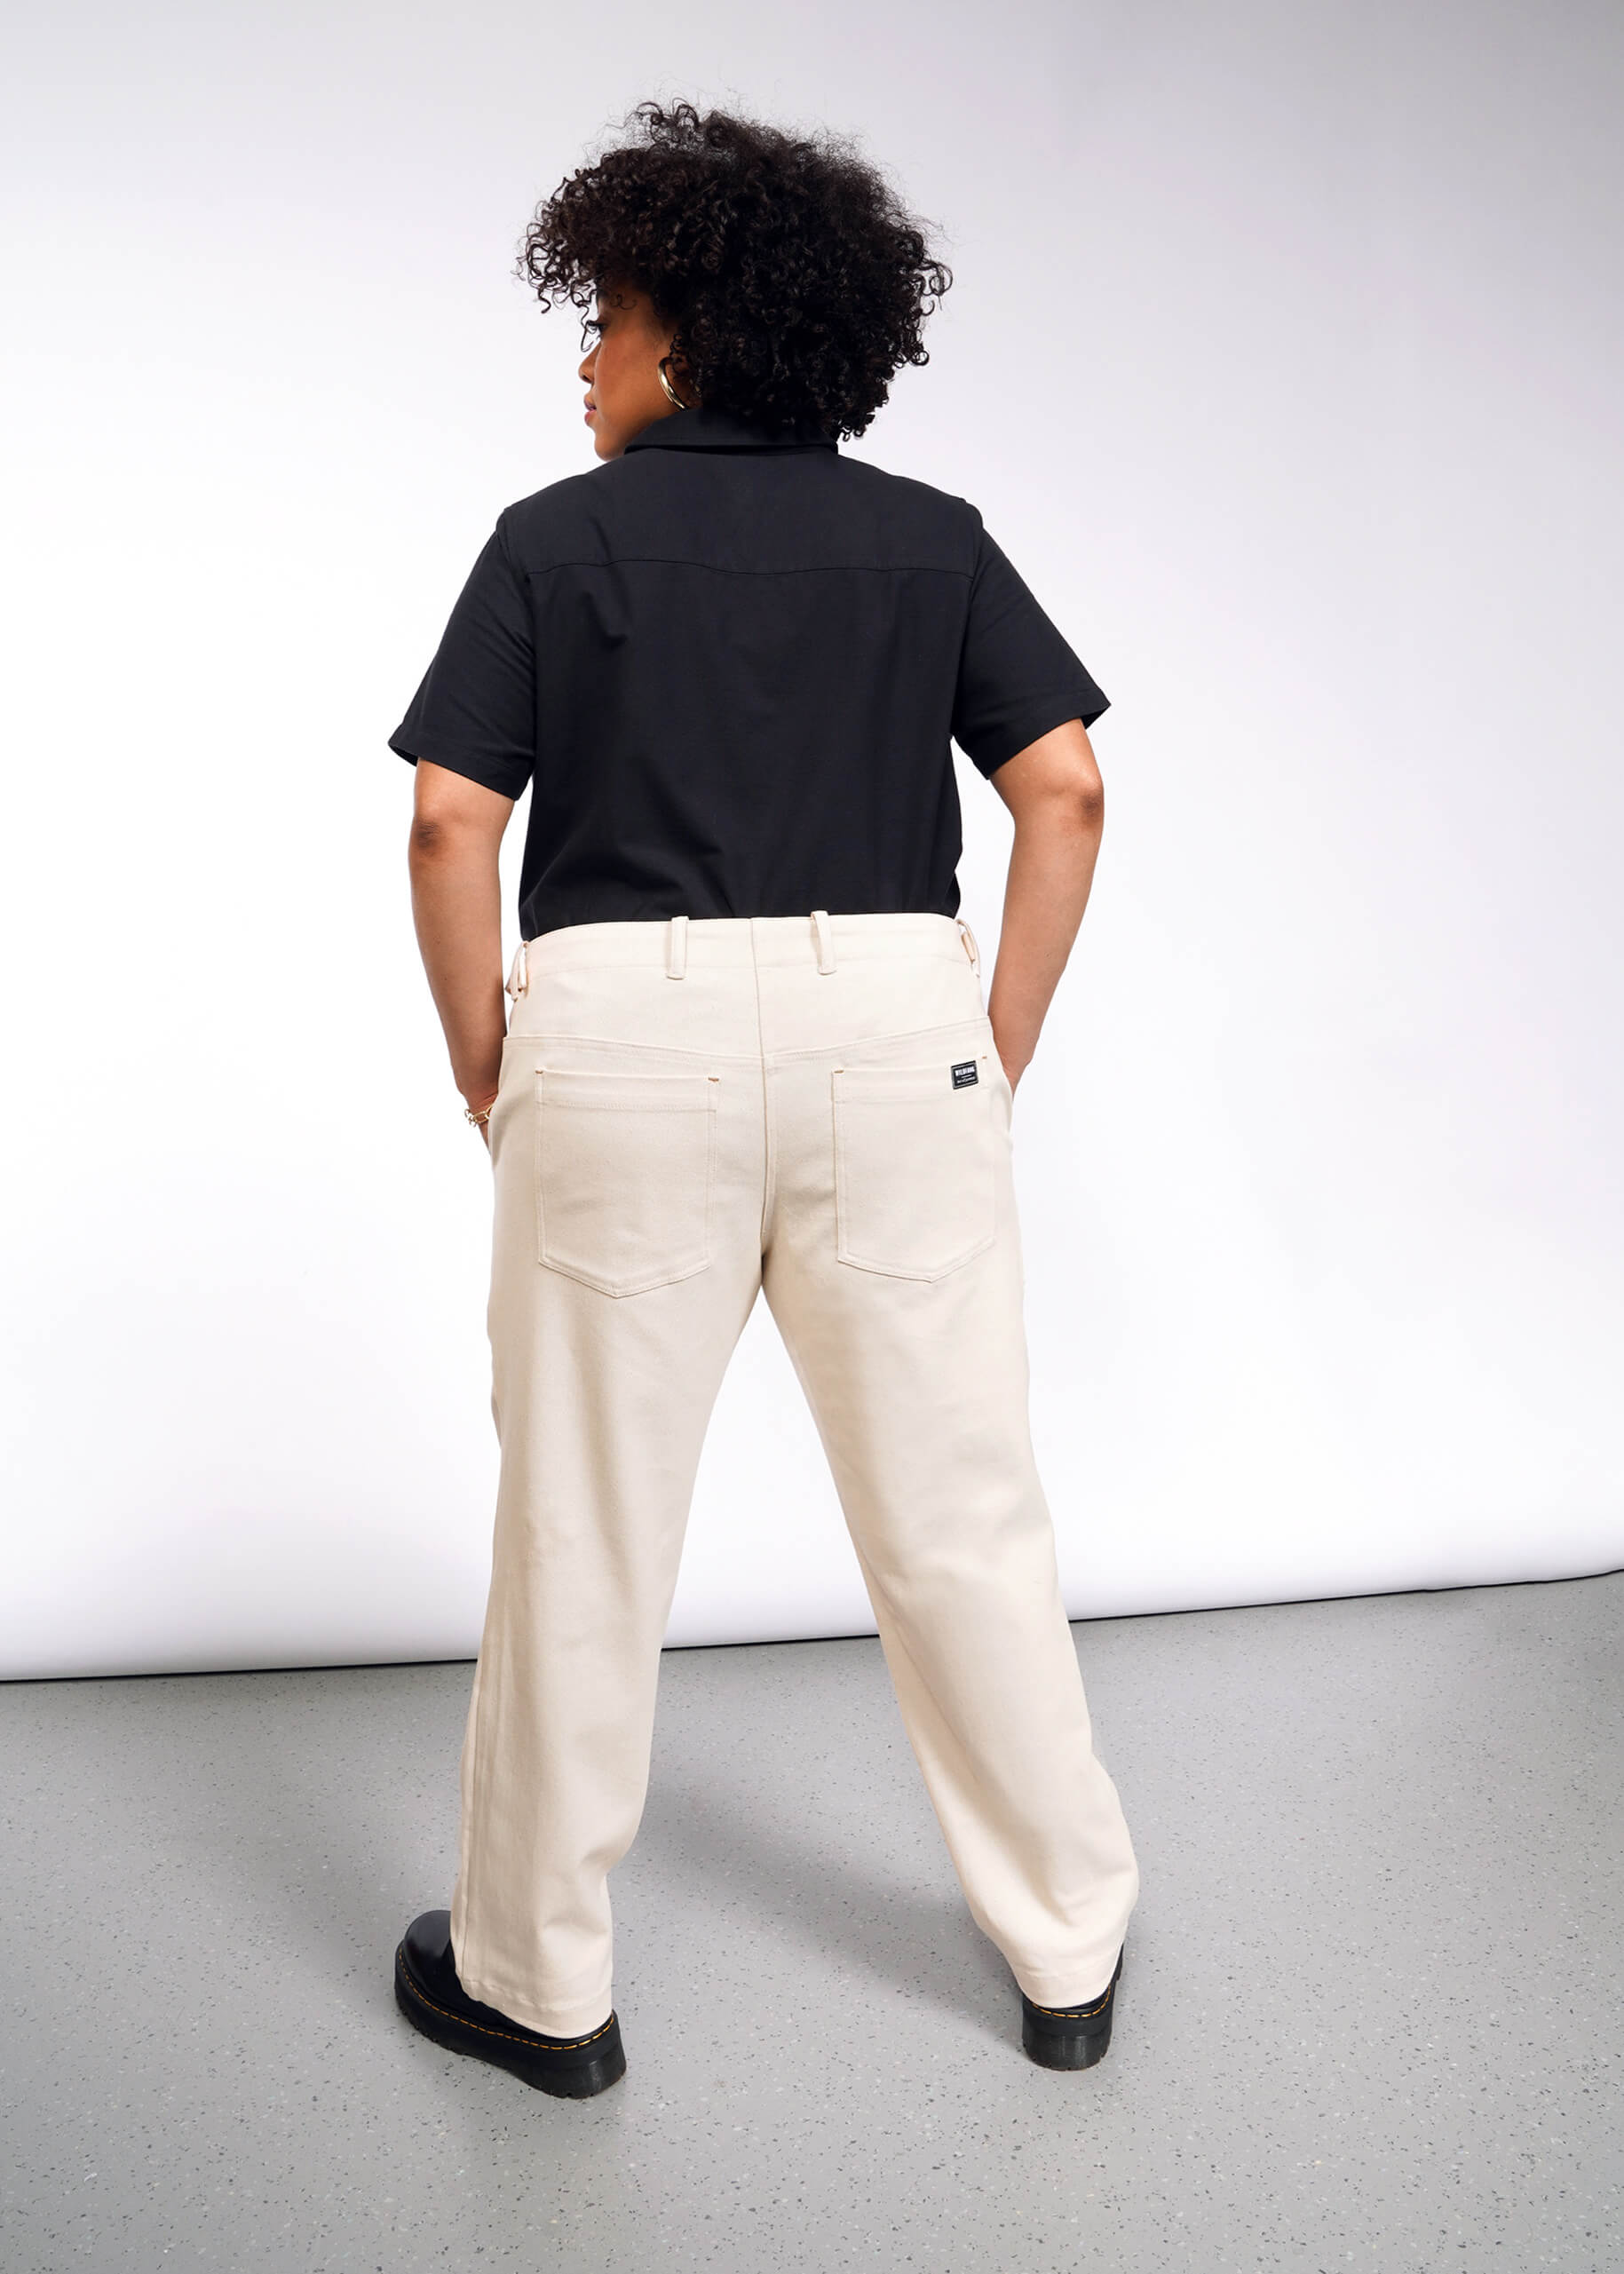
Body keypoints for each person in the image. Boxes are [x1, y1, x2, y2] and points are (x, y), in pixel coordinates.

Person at [386, 100, 1138, 2098]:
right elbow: (1060, 789)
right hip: (899, 1016)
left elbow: (453, 824)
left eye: (610, 321)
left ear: (690, 339)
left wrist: (484, 1050)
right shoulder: (934, 541)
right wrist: (1003, 1030)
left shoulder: (556, 545)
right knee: (961, 1507)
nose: (587, 359)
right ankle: (1068, 1949)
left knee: (580, 1526)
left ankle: (538, 1987)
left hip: (618, 1035)